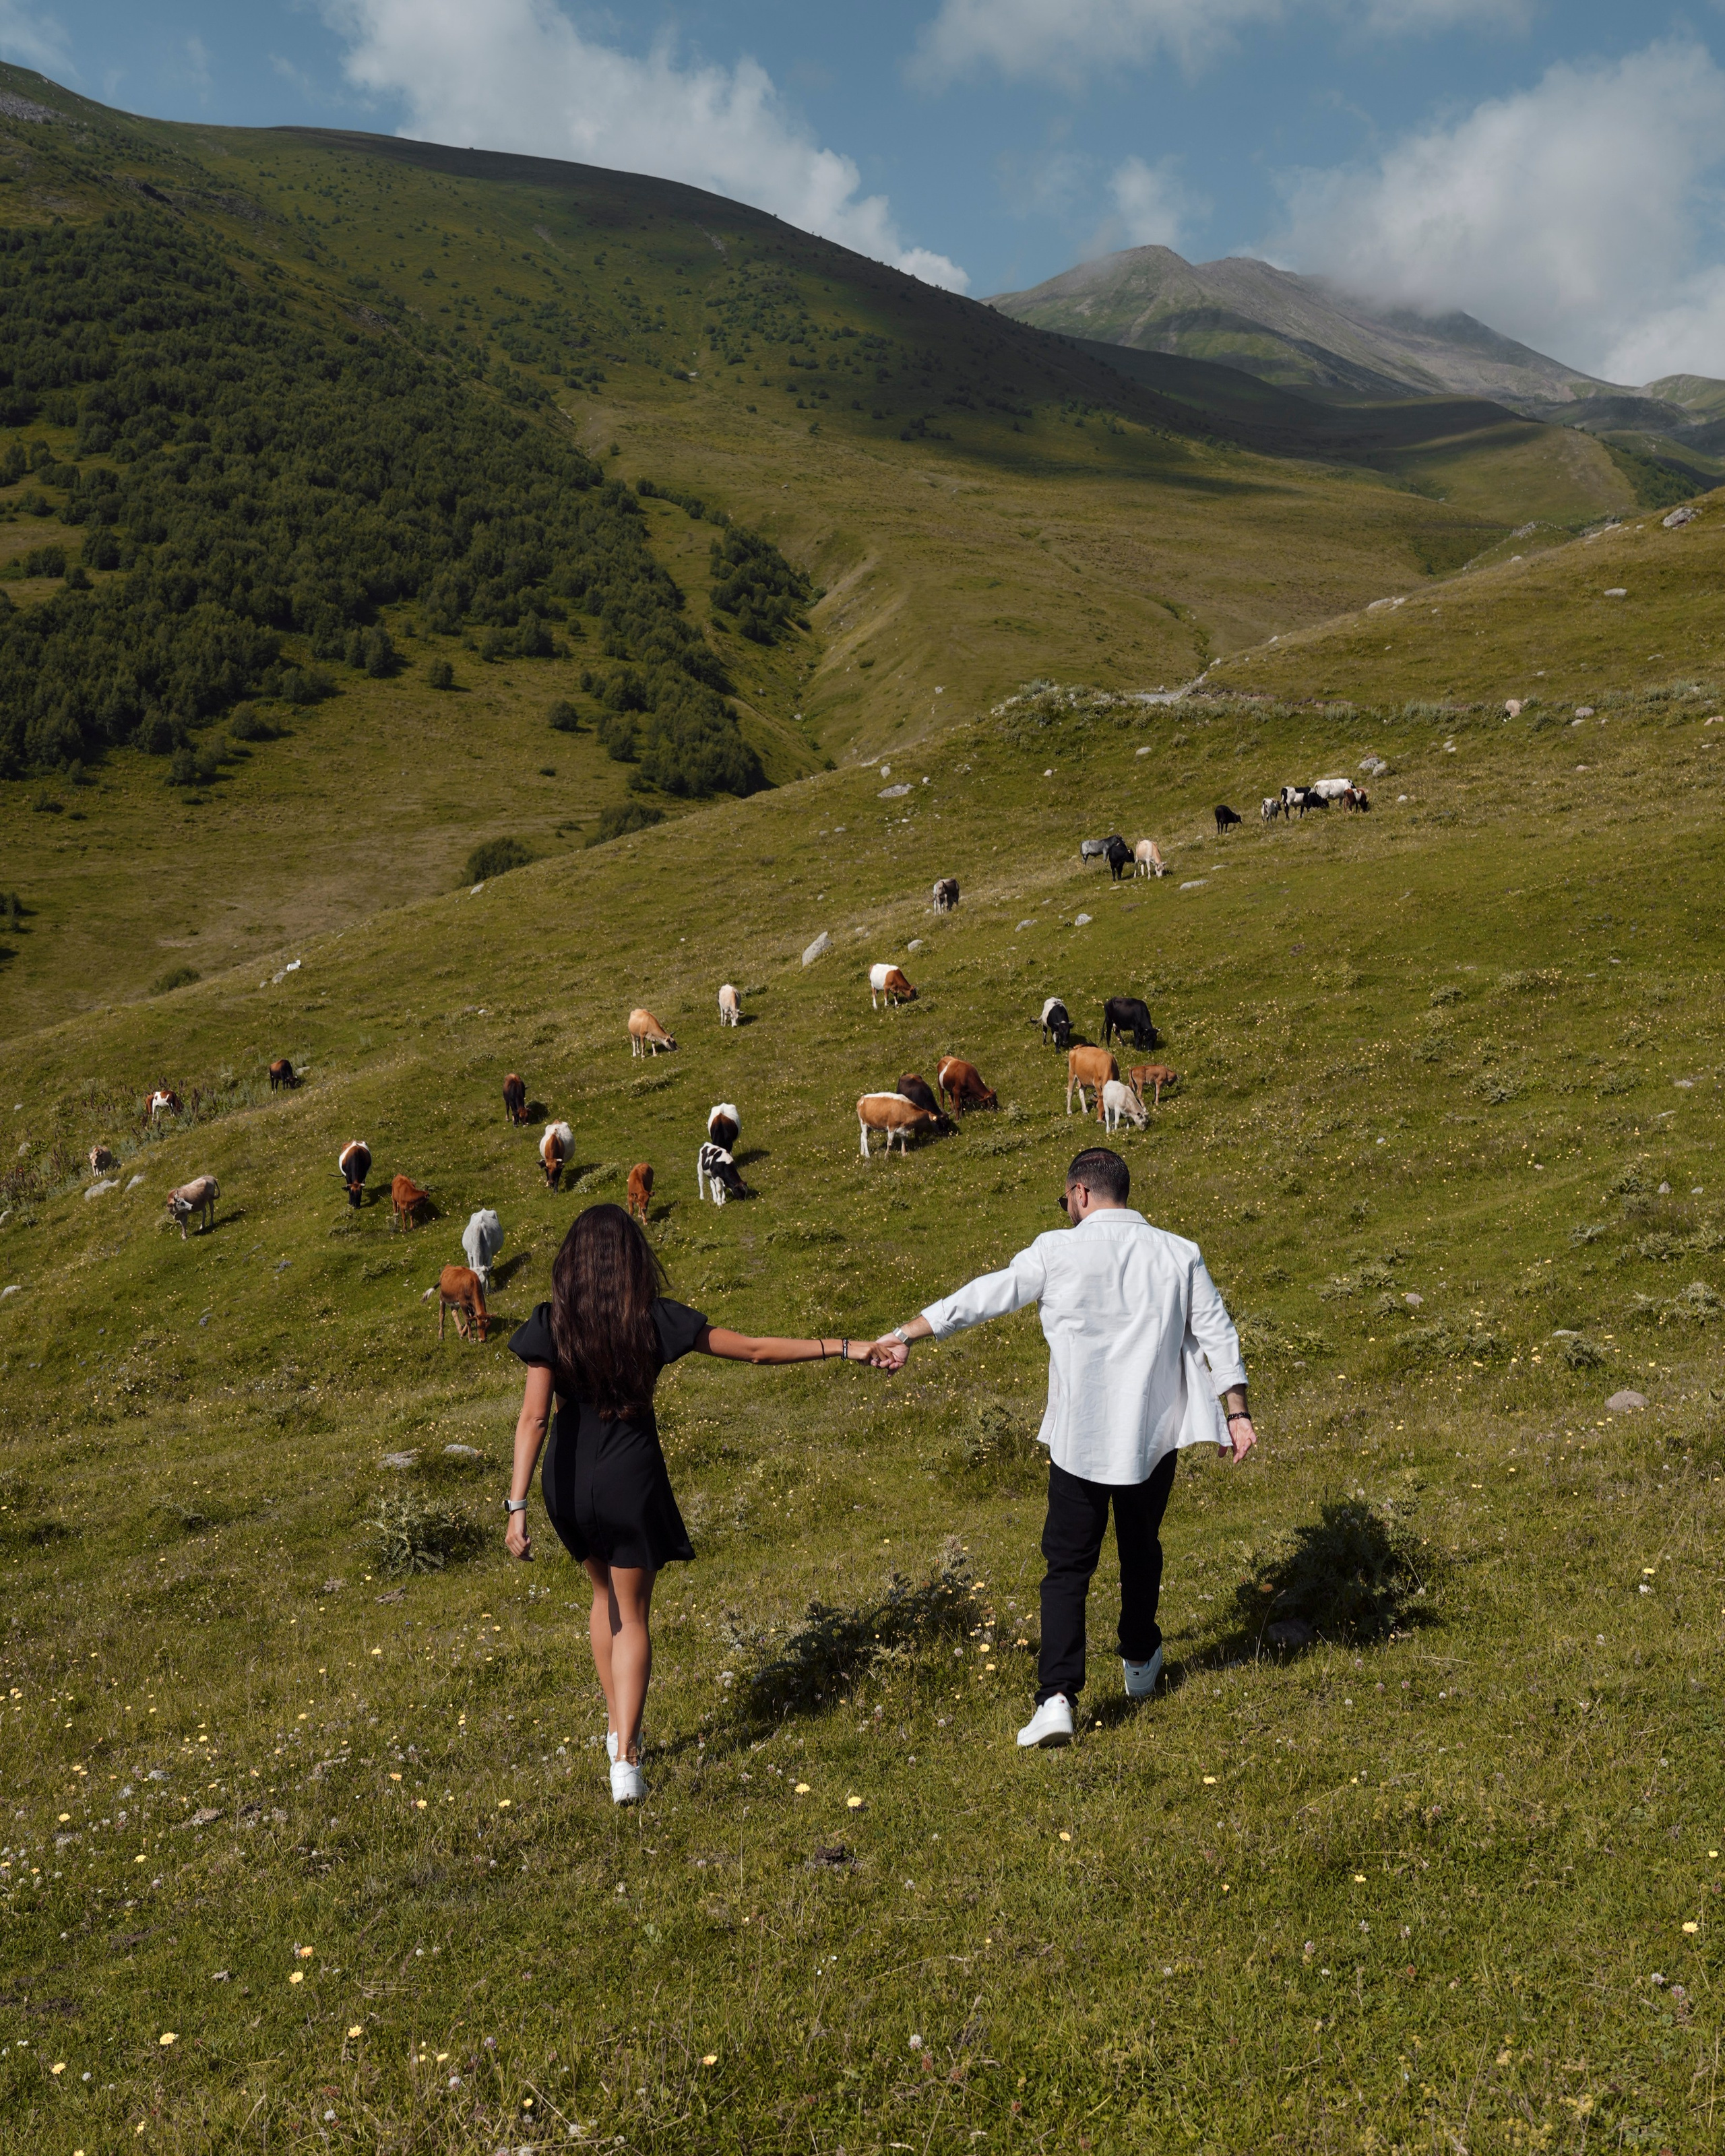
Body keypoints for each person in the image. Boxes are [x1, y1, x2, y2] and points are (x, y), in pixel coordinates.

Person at [505, 1202, 891, 1804]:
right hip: (629, 1474)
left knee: (603, 1597)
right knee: (633, 1615)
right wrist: (846, 1346)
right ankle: (627, 1761)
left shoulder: (551, 1324)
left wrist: (517, 1506)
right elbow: (757, 1350)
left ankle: (615, 1731)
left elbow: (533, 1418)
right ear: (632, 1261)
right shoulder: (654, 1319)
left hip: (567, 1480)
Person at [875, 1147, 1255, 1749]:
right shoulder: (1180, 1254)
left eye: (1066, 1201)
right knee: (1140, 1547)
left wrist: (904, 1334)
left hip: (1080, 1437)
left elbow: (984, 1296)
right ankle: (1138, 1659)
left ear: (1081, 1194)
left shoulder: (1056, 1249)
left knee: (1067, 1567)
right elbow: (1217, 1332)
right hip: (1152, 1438)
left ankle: (1056, 1698)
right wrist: (1236, 1412)